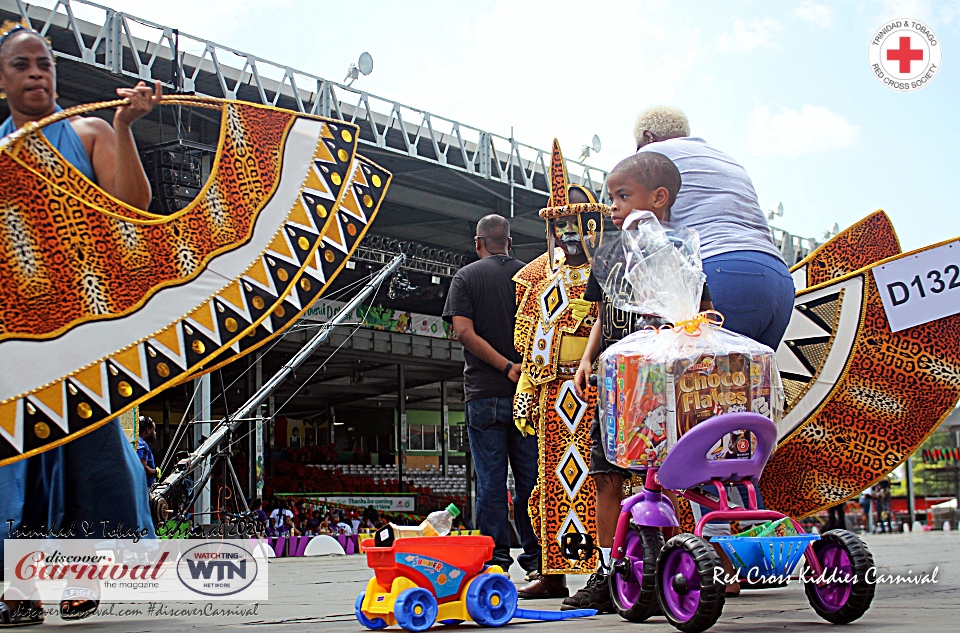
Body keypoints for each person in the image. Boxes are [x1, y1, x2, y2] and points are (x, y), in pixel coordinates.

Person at [0, 22, 160, 625]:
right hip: (12, 330)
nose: (37, 72)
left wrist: (124, 126)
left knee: (87, 451)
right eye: (22, 65)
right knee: (17, 462)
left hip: (79, 325)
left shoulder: (89, 130)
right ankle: (19, 589)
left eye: (44, 62)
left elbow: (133, 204)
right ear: (2, 80)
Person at [569, 152, 712, 612]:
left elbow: (701, 314)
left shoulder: (683, 250)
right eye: (611, 196)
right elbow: (599, 314)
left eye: (622, 196)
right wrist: (588, 358)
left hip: (663, 383)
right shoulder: (610, 250)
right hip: (616, 382)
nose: (612, 206)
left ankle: (675, 565)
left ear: (659, 197)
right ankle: (609, 572)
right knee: (605, 473)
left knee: (669, 473)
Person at [513, 141, 609, 600]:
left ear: (591, 226)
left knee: (597, 483)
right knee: (550, 487)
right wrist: (527, 391)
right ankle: (553, 574)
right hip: (553, 396)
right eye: (560, 227)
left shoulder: (608, 272)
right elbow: (534, 339)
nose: (568, 235)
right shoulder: (541, 278)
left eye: (575, 225)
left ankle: (603, 573)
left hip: (595, 391)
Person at [633, 106, 795, 352]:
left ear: (647, 137)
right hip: (778, 280)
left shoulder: (652, 155)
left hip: (720, 270)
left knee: (693, 385)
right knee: (750, 385)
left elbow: (642, 233)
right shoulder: (724, 158)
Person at [442, 215, 540, 575]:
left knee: (491, 482)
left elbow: (464, 333)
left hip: (483, 395)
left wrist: (502, 366)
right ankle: (536, 560)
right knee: (531, 479)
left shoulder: (466, 277)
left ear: (477, 242)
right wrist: (519, 368)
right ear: (510, 243)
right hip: (528, 395)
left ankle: (495, 561)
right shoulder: (531, 277)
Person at [137, 416, 160, 487]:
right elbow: (143, 468)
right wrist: (156, 472)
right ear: (148, 430)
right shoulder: (142, 445)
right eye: (154, 430)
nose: (155, 433)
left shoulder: (138, 442)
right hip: (143, 487)